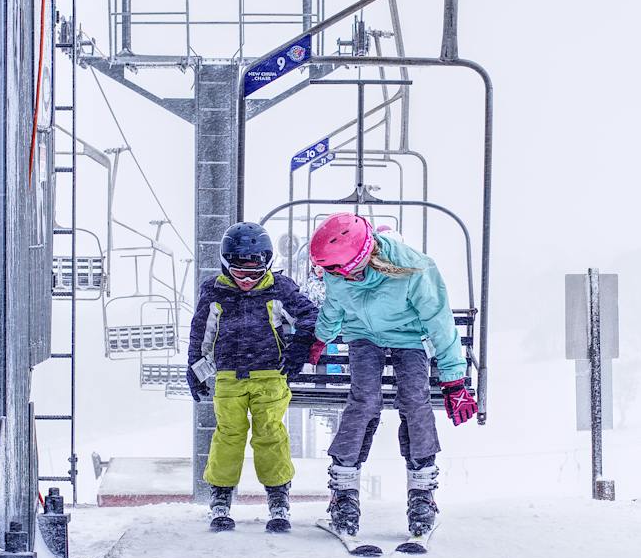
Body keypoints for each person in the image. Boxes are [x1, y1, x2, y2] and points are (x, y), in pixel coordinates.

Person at [309, 213, 477, 539]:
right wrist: (321, 337)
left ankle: (422, 493)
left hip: (409, 337)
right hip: (363, 336)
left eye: (333, 271)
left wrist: (454, 380)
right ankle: (344, 492)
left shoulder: (414, 269)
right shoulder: (336, 273)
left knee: (415, 401)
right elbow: (334, 306)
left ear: (357, 261)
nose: (327, 276)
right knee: (363, 401)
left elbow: (439, 322)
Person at [188, 221, 316, 532]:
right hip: (230, 374)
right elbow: (201, 333)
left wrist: (299, 346)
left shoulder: (279, 289)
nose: (247, 280)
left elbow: (310, 315)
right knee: (228, 434)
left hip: (270, 373)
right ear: (225, 264)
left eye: (255, 274)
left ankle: (278, 496)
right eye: (239, 273)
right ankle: (220, 496)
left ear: (267, 265)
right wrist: (195, 367)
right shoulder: (215, 292)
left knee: (270, 433)